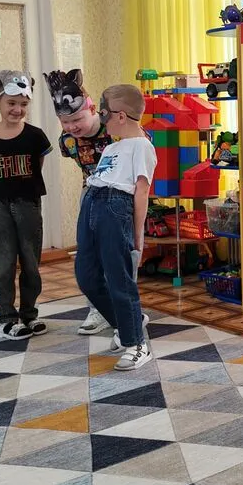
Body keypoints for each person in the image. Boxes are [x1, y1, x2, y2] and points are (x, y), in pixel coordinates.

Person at [75, 84, 156, 370]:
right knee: (86, 276)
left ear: (121, 116)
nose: (101, 120)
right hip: (92, 202)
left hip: (115, 206)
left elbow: (142, 191)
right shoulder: (111, 147)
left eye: (104, 114)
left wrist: (137, 236)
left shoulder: (143, 146)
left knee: (120, 279)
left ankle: (137, 344)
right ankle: (126, 323)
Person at [0, 71, 52, 341]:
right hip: (0, 206)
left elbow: (37, 165)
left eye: (23, 104)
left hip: (29, 204)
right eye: (11, 103)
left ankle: (29, 314)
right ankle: (6, 319)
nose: (17, 109)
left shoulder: (35, 136)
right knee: (3, 262)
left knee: (31, 262)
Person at [43, 68, 116, 336]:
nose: (72, 126)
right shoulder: (67, 141)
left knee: (118, 256)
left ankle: (123, 308)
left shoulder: (116, 129)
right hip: (90, 195)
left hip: (120, 197)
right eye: (65, 122)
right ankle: (97, 309)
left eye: (77, 119)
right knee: (89, 256)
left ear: (92, 109)